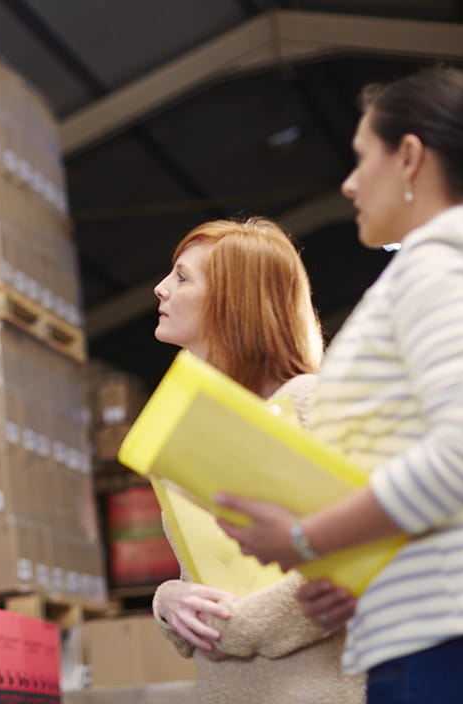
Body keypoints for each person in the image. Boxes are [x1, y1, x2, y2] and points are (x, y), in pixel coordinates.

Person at [216, 66, 463, 703]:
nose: (349, 182)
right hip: (447, 634)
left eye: (363, 158)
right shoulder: (458, 262)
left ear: (411, 157)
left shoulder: (444, 263)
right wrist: (368, 569)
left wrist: (307, 538)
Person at [150, 218, 365, 703]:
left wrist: (238, 627)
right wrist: (169, 601)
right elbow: (204, 569)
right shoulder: (195, 429)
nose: (161, 288)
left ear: (234, 299)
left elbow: (356, 559)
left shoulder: (313, 403)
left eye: (183, 277)